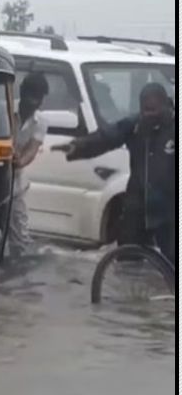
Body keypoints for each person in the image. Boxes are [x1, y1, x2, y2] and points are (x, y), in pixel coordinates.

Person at [54, 82, 176, 264]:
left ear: (167, 104)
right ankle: (130, 291)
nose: (149, 116)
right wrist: (78, 146)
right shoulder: (135, 125)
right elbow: (107, 136)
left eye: (154, 110)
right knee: (127, 258)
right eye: (145, 111)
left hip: (169, 207)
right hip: (137, 203)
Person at [8, 72, 50, 257]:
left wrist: (19, 161)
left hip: (16, 178)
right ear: (23, 94)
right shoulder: (4, 109)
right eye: (32, 97)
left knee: (19, 225)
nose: (35, 103)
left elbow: (32, 149)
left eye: (39, 98)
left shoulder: (41, 122)